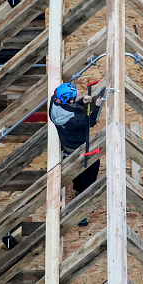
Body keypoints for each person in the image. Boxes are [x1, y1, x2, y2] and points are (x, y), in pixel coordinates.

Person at [49, 82, 102, 226]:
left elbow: (70, 106)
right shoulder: (75, 118)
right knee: (93, 164)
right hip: (78, 148)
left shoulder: (54, 102)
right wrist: (96, 105)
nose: (80, 94)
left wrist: (80, 101)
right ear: (70, 100)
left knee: (77, 172)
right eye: (76, 95)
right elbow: (91, 120)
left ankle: (77, 185)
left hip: (67, 145)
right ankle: (81, 195)